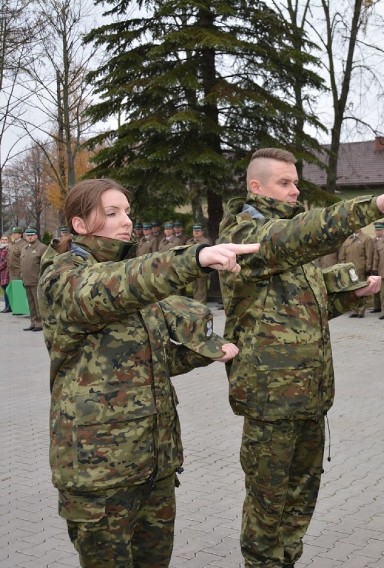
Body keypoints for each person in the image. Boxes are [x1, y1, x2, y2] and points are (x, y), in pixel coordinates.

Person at [218, 147, 384, 568]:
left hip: (309, 398)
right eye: (285, 183)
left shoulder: (286, 240)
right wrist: (371, 206)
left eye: (296, 182)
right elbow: (300, 234)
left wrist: (349, 292)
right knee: (268, 502)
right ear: (256, 187)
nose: (295, 191)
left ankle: (287, 560)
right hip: (270, 402)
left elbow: (307, 308)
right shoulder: (244, 235)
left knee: (301, 496)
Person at [37, 178, 257, 567]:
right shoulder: (63, 277)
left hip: (153, 465)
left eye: (127, 211)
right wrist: (194, 258)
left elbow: (153, 361)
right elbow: (111, 287)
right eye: (112, 213)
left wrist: (205, 352)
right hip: (99, 474)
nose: (126, 221)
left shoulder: (130, 277)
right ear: (79, 224)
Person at [338, 228, 375, 318]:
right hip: (349, 270)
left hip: (360, 269)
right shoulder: (347, 239)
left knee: (361, 290)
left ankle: (361, 310)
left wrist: (368, 268)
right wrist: (342, 267)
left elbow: (369, 255)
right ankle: (354, 310)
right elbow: (342, 255)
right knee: (351, 291)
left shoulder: (366, 239)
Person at [20, 227, 47, 331]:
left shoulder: (42, 247)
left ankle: (40, 323)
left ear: (36, 236)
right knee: (31, 303)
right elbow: (22, 263)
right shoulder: (24, 248)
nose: (30, 237)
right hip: (26, 280)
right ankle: (33, 322)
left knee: (38, 303)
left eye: (32, 235)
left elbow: (45, 265)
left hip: (37, 280)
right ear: (25, 237)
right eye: (28, 235)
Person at [188, 224, 212, 303]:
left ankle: (201, 303)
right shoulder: (189, 241)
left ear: (202, 232)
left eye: (198, 231)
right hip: (191, 266)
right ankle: (196, 302)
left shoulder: (206, 241)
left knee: (201, 286)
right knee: (194, 285)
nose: (196, 232)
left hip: (201, 266)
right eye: (194, 231)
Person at [369, 220, 384, 313]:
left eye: (380, 230)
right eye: (377, 230)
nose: (378, 232)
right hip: (374, 267)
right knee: (374, 287)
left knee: (383, 289)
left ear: (383, 230)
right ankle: (376, 306)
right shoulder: (372, 241)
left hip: (383, 267)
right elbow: (370, 254)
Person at [0, 235, 9, 312]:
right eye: (3, 239)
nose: (4, 241)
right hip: (1, 273)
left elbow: (6, 261)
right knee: (4, 289)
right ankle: (7, 306)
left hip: (5, 272)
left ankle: (8, 306)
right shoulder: (0, 249)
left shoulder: (8, 249)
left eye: (6, 239)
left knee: (7, 290)